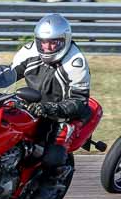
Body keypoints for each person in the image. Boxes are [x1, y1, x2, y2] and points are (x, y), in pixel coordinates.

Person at [11, 13, 91, 156]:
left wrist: (49, 108)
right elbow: (8, 74)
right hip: (30, 107)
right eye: (43, 42)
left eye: (53, 42)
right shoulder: (30, 52)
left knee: (49, 158)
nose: (47, 47)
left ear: (64, 40)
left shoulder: (75, 62)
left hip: (58, 114)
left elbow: (80, 102)